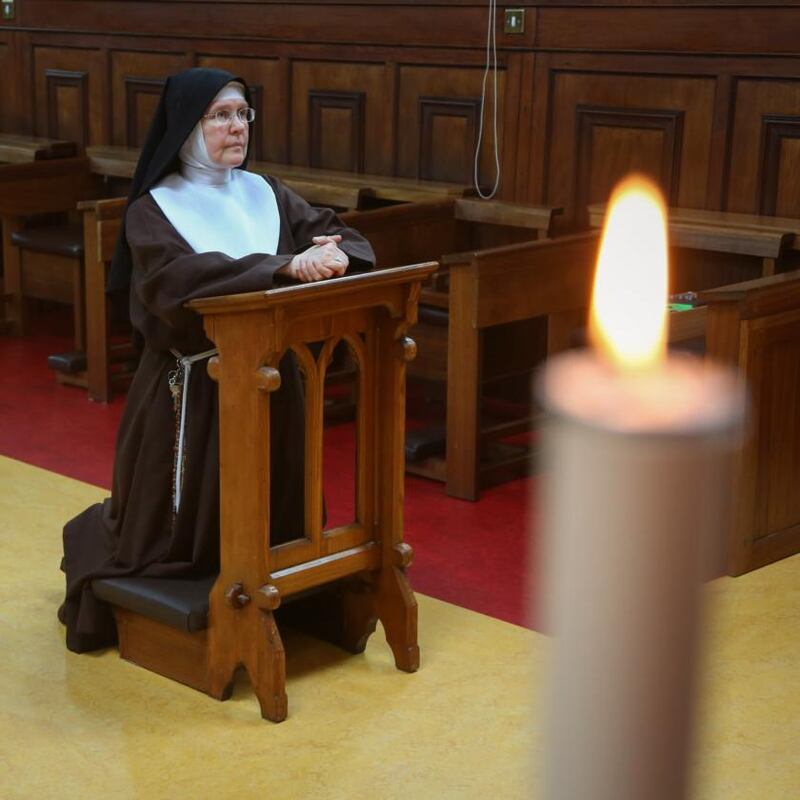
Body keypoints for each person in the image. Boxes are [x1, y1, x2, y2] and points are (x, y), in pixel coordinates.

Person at [59, 67, 375, 653]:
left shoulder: (267, 192)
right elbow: (176, 285)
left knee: (277, 509)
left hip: (275, 379)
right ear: (185, 128)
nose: (237, 128)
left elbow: (343, 239)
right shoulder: (153, 210)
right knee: (171, 540)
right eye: (221, 116)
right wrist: (279, 266)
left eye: (243, 115)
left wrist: (335, 255)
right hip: (194, 392)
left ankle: (277, 575)